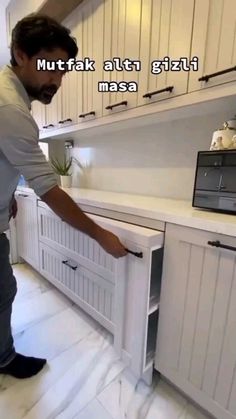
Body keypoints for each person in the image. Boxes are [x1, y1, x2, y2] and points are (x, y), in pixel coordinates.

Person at [0, 14, 127, 379]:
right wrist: (101, 235)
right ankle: (4, 358)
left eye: (63, 70)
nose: (57, 79)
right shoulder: (11, 107)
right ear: (21, 54)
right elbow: (49, 190)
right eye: (50, 66)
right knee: (2, 289)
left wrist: (7, 194)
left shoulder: (10, 96)